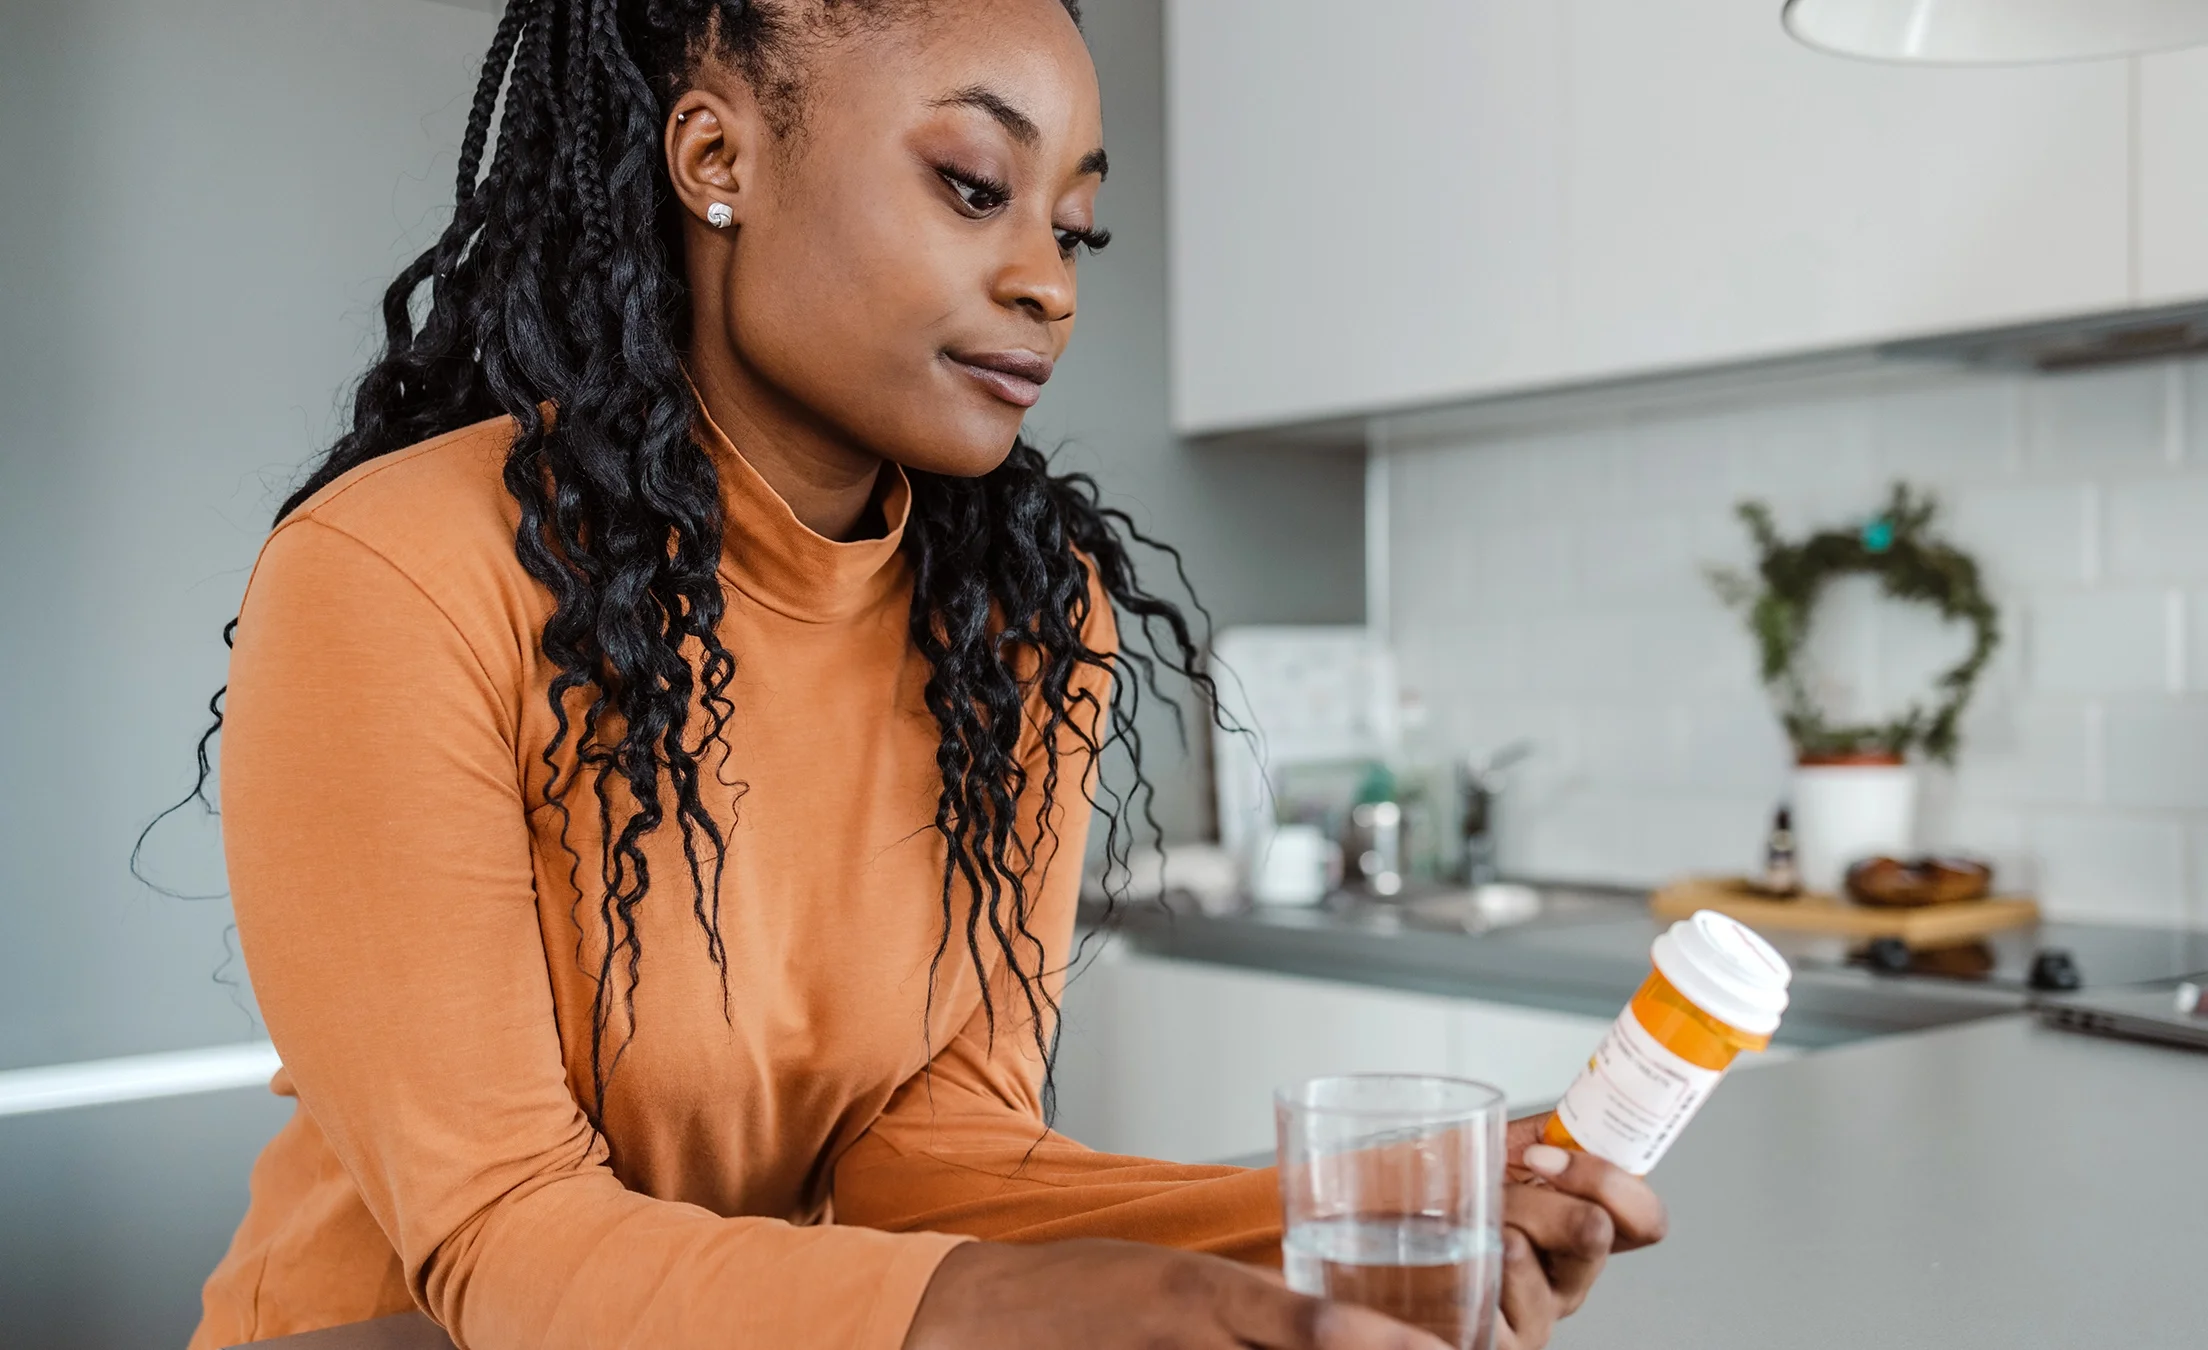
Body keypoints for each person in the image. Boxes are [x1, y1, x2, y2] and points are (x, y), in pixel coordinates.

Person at [183, 2, 1663, 1347]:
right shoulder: (395, 574)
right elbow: (505, 1238)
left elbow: (931, 1152)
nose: (1047, 285)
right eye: (972, 185)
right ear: (716, 157)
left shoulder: (1022, 622)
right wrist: (1055, 1304)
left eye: (1074, 230)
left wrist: (1358, 1215)